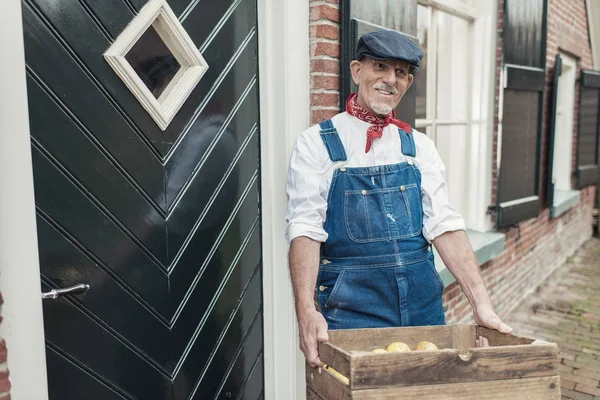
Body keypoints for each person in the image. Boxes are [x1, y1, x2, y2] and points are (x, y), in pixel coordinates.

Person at [285, 30, 513, 368]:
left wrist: (481, 302)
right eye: (380, 66)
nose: (391, 79)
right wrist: (306, 311)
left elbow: (445, 226)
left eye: (403, 72)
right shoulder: (316, 144)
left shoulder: (419, 147)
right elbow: (305, 229)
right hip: (351, 311)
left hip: (424, 307)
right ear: (356, 71)